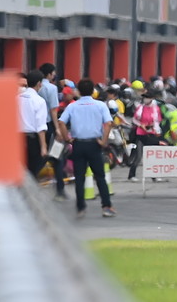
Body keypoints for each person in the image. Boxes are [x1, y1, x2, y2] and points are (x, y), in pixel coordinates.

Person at [58, 78, 116, 218]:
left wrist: (67, 138)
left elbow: (61, 122)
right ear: (92, 91)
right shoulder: (100, 105)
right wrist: (103, 141)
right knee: (100, 176)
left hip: (78, 144)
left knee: (79, 178)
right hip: (94, 144)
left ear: (79, 91)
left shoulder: (72, 106)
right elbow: (109, 123)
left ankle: (80, 208)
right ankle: (106, 206)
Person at [38, 63, 68, 199]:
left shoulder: (35, 87)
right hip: (49, 126)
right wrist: (57, 129)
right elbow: (53, 110)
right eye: (53, 73)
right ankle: (60, 190)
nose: (54, 75)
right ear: (49, 74)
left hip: (36, 126)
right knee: (57, 157)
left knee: (38, 157)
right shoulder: (51, 88)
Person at [128, 89, 163, 181]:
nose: (145, 99)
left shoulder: (156, 109)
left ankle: (154, 176)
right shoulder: (140, 108)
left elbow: (158, 120)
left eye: (147, 97)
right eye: (144, 98)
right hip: (141, 134)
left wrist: (152, 126)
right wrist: (141, 125)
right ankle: (131, 175)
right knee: (139, 156)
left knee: (152, 156)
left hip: (152, 134)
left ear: (151, 98)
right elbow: (134, 119)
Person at [19, 70, 49, 179]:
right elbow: (41, 127)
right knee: (32, 172)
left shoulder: (16, 98)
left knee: (20, 170)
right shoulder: (39, 101)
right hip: (32, 140)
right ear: (39, 83)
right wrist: (43, 147)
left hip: (17, 139)